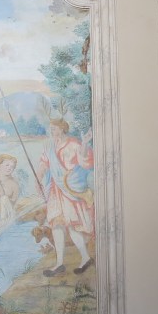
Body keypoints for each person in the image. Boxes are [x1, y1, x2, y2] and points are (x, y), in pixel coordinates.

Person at [38, 118, 95, 276]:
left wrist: (85, 143)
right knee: (56, 225)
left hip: (69, 189)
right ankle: (59, 263)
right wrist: (39, 178)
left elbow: (85, 162)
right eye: (51, 129)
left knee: (71, 226)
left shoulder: (73, 143)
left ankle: (85, 258)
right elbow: (44, 163)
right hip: (55, 191)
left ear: (63, 128)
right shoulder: (50, 145)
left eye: (55, 128)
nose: (52, 131)